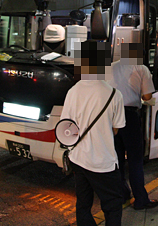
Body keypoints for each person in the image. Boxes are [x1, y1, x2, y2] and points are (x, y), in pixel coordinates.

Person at [60, 41, 126, 226]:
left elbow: (66, 127)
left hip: (79, 159)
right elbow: (116, 128)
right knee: (112, 205)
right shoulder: (114, 95)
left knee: (83, 204)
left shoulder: (72, 91)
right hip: (103, 162)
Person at [106, 43, 158, 210]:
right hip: (130, 116)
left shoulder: (109, 67)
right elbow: (147, 95)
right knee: (135, 159)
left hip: (111, 116)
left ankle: (121, 193)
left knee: (117, 158)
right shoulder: (141, 68)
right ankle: (140, 199)